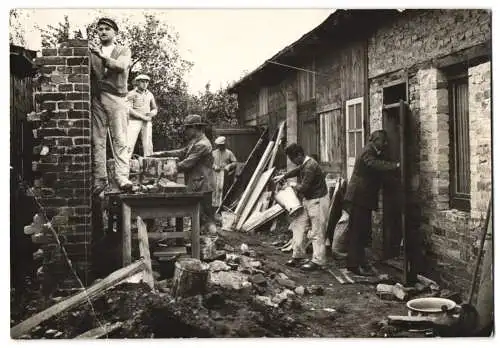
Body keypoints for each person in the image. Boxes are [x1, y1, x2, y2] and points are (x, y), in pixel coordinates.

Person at [343, 130, 400, 276]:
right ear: (375, 141)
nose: (385, 144)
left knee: (361, 231)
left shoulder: (373, 150)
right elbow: (373, 164)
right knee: (358, 231)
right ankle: (354, 265)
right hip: (359, 197)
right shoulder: (368, 151)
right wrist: (396, 166)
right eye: (383, 141)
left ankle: (357, 262)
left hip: (362, 197)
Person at [151, 114, 217, 234]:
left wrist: (167, 169)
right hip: (198, 183)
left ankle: (209, 243)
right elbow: (181, 152)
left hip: (203, 185)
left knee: (205, 218)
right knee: (198, 217)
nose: (185, 131)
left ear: (195, 128)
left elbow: (187, 163)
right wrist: (161, 154)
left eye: (187, 128)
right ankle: (200, 242)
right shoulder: (195, 142)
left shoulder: (203, 144)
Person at [89, 17, 133, 193]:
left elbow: (121, 66)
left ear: (115, 32)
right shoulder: (92, 51)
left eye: (107, 28)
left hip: (117, 98)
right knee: (97, 139)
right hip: (98, 98)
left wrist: (101, 56)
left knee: (120, 139)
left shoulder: (123, 50)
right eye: (100, 29)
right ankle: (100, 179)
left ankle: (122, 177)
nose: (103, 32)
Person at [273, 143, 330, 271]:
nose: (293, 162)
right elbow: (298, 169)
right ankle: (298, 256)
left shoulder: (310, 165)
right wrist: (284, 176)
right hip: (307, 200)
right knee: (298, 226)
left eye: (293, 159)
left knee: (317, 231)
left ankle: (318, 261)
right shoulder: (304, 163)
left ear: (299, 155)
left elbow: (304, 187)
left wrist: (291, 185)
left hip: (318, 200)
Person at [126, 74, 158, 157]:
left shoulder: (150, 94)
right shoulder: (131, 94)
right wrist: (142, 117)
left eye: (147, 82)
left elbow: (155, 108)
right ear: (137, 82)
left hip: (147, 121)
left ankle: (148, 163)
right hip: (133, 121)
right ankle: (125, 164)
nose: (145, 84)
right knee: (129, 142)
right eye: (142, 81)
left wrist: (152, 113)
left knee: (148, 144)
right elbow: (128, 109)